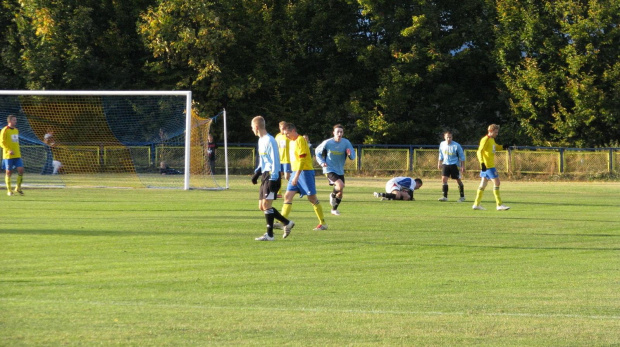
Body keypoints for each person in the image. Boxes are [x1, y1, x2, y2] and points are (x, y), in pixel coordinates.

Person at [250, 116, 295, 241]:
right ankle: (287, 222)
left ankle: (270, 234)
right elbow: (263, 160)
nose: (252, 129)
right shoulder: (261, 140)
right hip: (265, 175)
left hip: (272, 176)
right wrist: (257, 173)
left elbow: (275, 160)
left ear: (257, 127)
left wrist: (275, 178)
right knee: (262, 206)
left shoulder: (270, 140)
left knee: (266, 204)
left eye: (252, 127)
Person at [279, 123, 328, 231]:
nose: (286, 136)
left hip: (305, 173)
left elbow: (302, 160)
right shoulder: (291, 142)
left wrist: (296, 176)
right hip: (295, 172)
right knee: (287, 196)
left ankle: (323, 223)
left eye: (287, 133)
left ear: (293, 131)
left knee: (312, 198)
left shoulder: (300, 140)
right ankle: (282, 221)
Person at [314, 124, 356, 216]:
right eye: (338, 132)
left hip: (340, 170)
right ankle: (332, 195)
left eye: (341, 132)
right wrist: (321, 162)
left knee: (340, 193)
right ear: (333, 133)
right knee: (340, 185)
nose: (339, 134)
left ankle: (333, 209)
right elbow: (317, 152)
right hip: (329, 169)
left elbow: (353, 156)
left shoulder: (346, 143)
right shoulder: (328, 143)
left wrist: (349, 154)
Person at [472, 124, 510, 211]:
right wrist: (482, 163)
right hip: (488, 166)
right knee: (497, 183)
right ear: (490, 131)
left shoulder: (492, 139)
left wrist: (503, 147)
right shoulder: (485, 139)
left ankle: (476, 204)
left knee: (483, 184)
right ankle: (499, 204)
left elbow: (495, 147)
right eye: (495, 132)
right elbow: (479, 151)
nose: (497, 134)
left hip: (487, 166)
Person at [437, 131, 465, 202]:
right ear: (444, 137)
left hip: (454, 165)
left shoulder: (456, 145)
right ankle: (445, 197)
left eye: (450, 137)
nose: (448, 139)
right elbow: (440, 154)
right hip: (445, 164)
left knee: (458, 179)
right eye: (447, 137)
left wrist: (462, 166)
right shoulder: (442, 144)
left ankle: (462, 196)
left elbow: (462, 156)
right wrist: (439, 162)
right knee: (444, 179)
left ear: (452, 137)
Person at [1, 115, 25, 196]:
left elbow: (15, 142)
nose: (16, 121)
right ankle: (9, 190)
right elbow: (1, 142)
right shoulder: (4, 130)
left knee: (21, 170)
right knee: (9, 172)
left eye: (16, 120)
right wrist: (8, 150)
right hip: (8, 156)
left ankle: (18, 188)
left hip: (17, 155)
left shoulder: (16, 130)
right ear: (9, 121)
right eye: (14, 120)